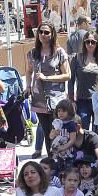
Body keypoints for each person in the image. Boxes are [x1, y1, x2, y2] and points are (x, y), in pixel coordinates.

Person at [27, 22, 70, 158]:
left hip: (56, 99)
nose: (43, 35)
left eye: (46, 32)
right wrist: (28, 86)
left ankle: (59, 158)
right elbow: (28, 71)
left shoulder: (59, 52)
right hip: (39, 100)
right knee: (46, 131)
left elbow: (67, 75)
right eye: (41, 32)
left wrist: (47, 78)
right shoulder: (32, 53)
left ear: (52, 35)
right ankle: (51, 160)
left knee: (57, 130)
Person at [69, 30, 98, 131]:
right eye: (87, 41)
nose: (90, 44)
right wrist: (71, 100)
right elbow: (71, 80)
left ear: (97, 44)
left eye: (93, 42)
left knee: (97, 131)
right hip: (82, 100)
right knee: (82, 130)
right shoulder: (77, 58)